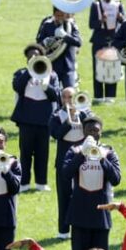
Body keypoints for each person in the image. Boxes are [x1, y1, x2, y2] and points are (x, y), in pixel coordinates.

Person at [63, 116, 121, 250]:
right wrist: (82, 154)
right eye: (89, 130)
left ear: (101, 132)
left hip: (101, 216)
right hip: (79, 214)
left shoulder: (109, 152)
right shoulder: (74, 150)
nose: (93, 134)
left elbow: (116, 179)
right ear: (83, 131)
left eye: (96, 130)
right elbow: (66, 174)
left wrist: (101, 159)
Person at [11, 43, 61, 192]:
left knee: (42, 153)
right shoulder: (21, 73)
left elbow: (56, 96)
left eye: (36, 55)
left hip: (44, 119)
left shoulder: (51, 75)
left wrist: (46, 86)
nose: (33, 57)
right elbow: (17, 87)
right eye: (30, 56)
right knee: (25, 153)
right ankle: (24, 183)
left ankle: (41, 182)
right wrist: (29, 72)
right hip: (26, 119)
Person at [49, 87, 92, 239]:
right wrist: (69, 120)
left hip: (84, 159)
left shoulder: (85, 113)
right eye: (64, 97)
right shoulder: (56, 115)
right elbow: (56, 134)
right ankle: (63, 231)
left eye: (70, 97)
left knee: (85, 195)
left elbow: (93, 131)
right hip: (64, 161)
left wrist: (82, 114)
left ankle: (83, 227)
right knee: (64, 196)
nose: (67, 100)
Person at [88, 0, 125, 102]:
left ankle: (110, 96)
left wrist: (121, 18)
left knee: (112, 67)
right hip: (99, 40)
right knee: (98, 68)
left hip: (114, 40)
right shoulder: (96, 4)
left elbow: (125, 22)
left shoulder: (118, 3)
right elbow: (91, 24)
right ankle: (98, 96)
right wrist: (101, 21)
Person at [37, 7, 81, 88]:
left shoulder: (71, 25)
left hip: (67, 66)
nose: (60, 18)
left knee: (69, 91)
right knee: (52, 92)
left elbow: (78, 42)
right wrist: (45, 42)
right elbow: (38, 43)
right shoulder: (47, 25)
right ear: (54, 15)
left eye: (62, 15)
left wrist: (65, 36)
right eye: (58, 16)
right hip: (52, 66)